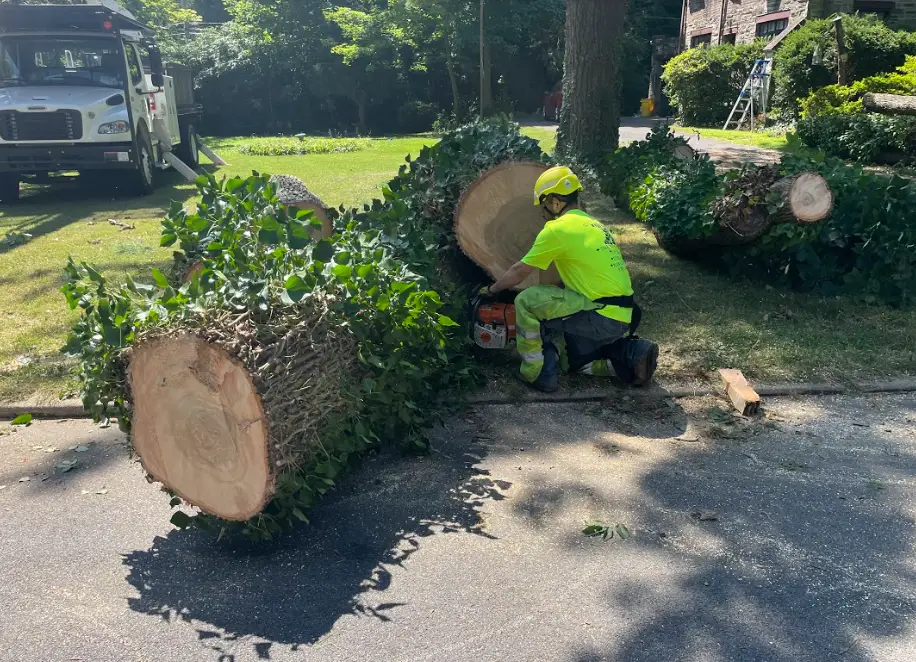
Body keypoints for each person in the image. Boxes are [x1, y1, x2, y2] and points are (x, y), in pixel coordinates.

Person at [483, 166, 659, 393]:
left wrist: (492, 290)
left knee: (527, 302)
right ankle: (633, 354)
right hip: (622, 315)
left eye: (544, 205)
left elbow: (519, 271)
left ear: (556, 202)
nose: (543, 212)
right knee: (573, 363)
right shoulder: (596, 225)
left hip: (599, 315)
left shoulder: (557, 229)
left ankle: (538, 373)